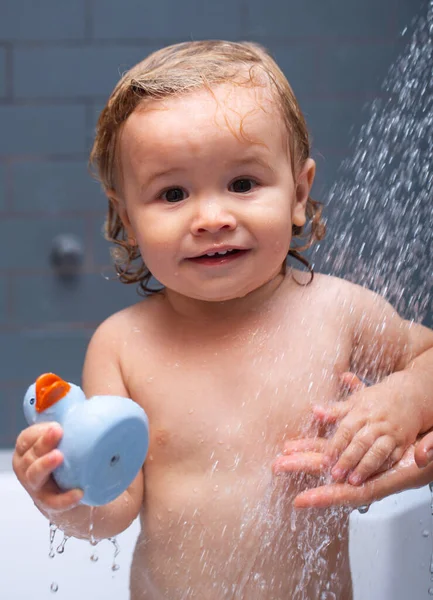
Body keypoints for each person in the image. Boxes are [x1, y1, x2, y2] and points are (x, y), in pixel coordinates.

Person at [12, 41, 433, 599]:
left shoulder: (339, 312)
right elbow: (112, 508)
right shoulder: (123, 345)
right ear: (127, 219)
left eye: (242, 184)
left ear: (299, 194)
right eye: (173, 193)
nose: (212, 218)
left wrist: (405, 398)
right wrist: (62, 493)